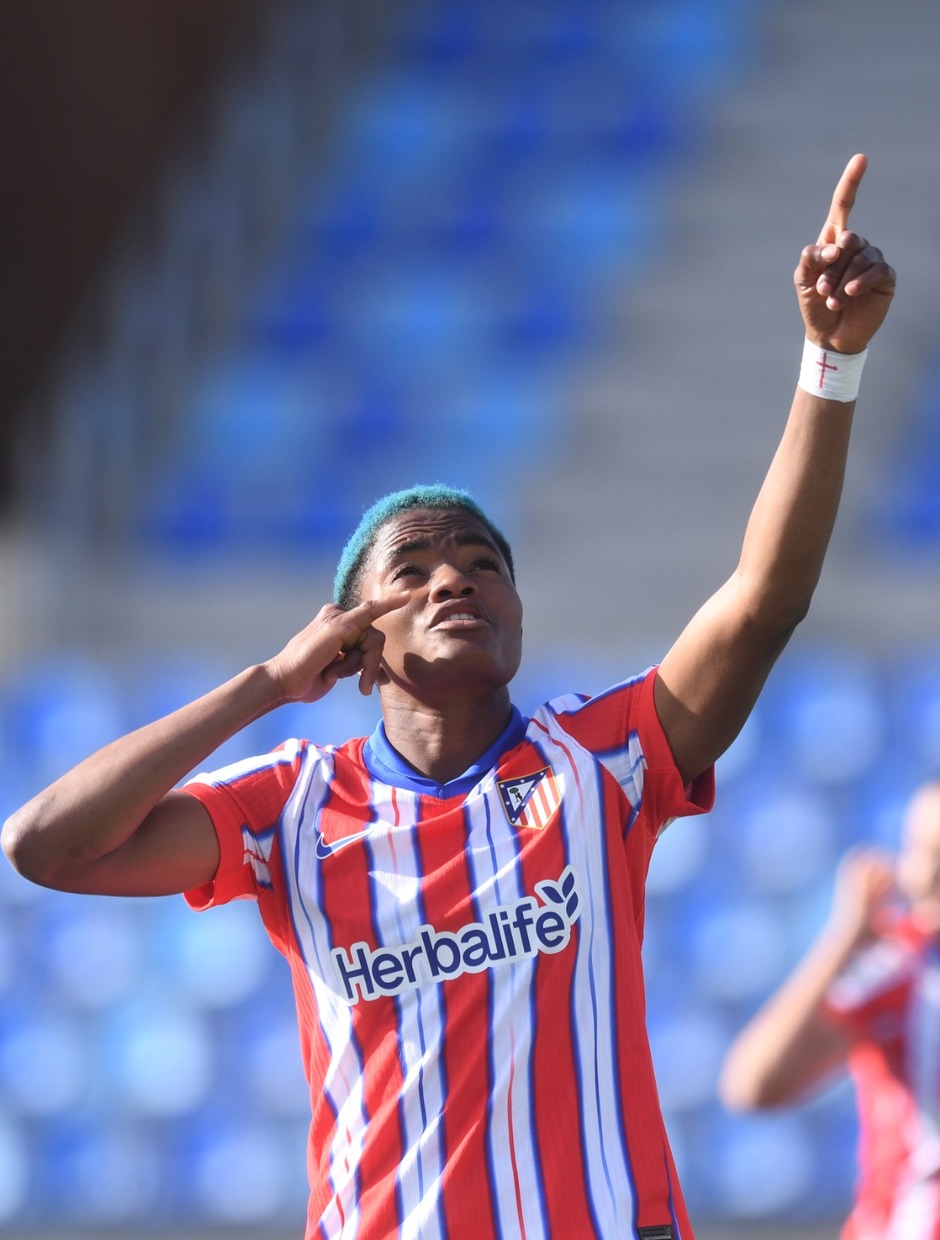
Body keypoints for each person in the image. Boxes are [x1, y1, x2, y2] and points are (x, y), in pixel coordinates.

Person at [2, 154, 895, 1240]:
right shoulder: (287, 808)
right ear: (354, 639)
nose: (454, 578)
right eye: (411, 571)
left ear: (516, 608)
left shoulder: (603, 759)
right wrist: (266, 687)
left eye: (482, 562)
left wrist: (828, 362)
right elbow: (46, 847)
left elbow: (759, 606)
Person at [718, 780, 940, 1239]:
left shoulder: (901, 966)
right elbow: (753, 1083)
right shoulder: (899, 969)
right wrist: (845, 939)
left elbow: (751, 1085)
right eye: (919, 852)